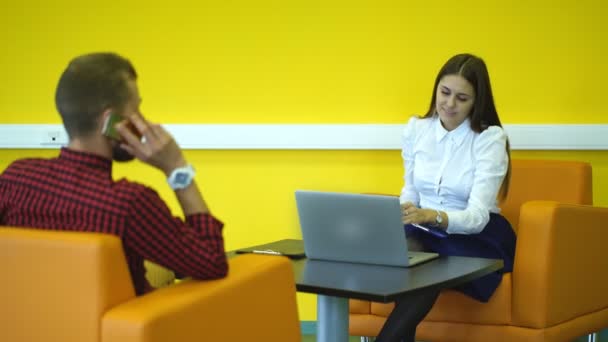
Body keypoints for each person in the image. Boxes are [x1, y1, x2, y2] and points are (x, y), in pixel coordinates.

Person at [0, 52, 228, 295]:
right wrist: (176, 167)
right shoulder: (128, 204)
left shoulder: (15, 178)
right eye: (136, 110)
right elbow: (212, 263)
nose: (142, 121)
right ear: (110, 120)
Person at [375, 53, 516, 342]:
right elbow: (410, 191)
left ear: (477, 101)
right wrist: (404, 211)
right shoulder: (417, 129)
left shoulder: (489, 139)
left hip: (475, 236)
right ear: (436, 89)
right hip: (422, 230)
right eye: (445, 93)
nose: (449, 104)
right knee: (407, 251)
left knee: (428, 265)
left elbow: (478, 216)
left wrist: (435, 216)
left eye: (462, 98)